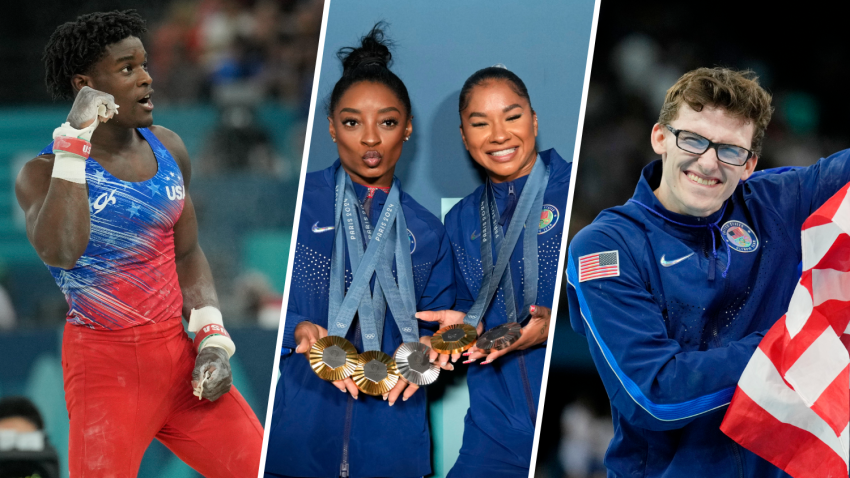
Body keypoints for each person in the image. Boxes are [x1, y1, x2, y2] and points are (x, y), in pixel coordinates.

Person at [566, 67, 850, 477]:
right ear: (660, 137)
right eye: (693, 139)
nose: (709, 162)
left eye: (730, 150)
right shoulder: (607, 247)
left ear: (750, 162)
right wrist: (791, 346)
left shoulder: (780, 202)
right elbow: (656, 395)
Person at [14, 10, 262, 477]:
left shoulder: (169, 147)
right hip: (105, 372)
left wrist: (210, 336)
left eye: (144, 65)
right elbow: (62, 251)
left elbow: (187, 253)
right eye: (127, 69)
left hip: (179, 360)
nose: (147, 79)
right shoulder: (42, 174)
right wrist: (74, 144)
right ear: (85, 84)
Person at [263, 24, 456, 478]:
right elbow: (253, 302)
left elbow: (445, 321)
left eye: (387, 122)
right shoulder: (296, 205)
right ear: (331, 127)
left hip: (395, 451)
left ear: (407, 129)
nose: (370, 139)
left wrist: (436, 346)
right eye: (352, 122)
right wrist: (295, 329)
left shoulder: (428, 231)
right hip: (298, 448)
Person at [419, 66, 573, 477]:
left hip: (574, 430)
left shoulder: (575, 190)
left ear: (534, 120)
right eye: (480, 123)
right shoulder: (460, 222)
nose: (500, 134)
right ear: (465, 137)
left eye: (512, 115)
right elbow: (469, 318)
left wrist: (554, 325)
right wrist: (461, 322)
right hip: (494, 437)